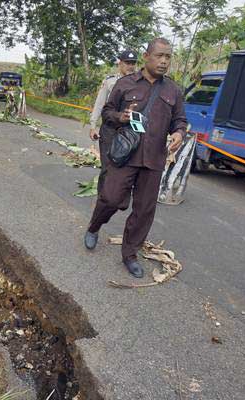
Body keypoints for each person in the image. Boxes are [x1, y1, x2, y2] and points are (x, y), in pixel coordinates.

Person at [84, 38, 187, 278]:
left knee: (144, 210)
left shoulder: (173, 90)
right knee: (110, 197)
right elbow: (107, 112)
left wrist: (179, 133)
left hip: (153, 159)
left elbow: (179, 119)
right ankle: (94, 226)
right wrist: (121, 116)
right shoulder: (125, 84)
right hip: (126, 154)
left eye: (168, 57)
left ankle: (129, 254)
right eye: (159, 55)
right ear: (146, 56)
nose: (163, 61)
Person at [89, 49, 138, 192]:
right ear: (120, 63)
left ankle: (117, 194)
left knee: (124, 165)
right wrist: (93, 125)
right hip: (109, 129)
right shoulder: (110, 81)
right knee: (107, 166)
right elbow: (100, 104)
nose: (130, 66)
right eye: (127, 63)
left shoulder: (139, 83)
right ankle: (102, 196)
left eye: (133, 63)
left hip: (128, 131)